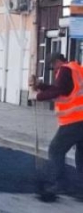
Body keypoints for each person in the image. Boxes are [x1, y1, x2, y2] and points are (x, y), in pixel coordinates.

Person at [30, 53, 83, 198]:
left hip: (75, 120)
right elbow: (64, 89)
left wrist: (37, 96)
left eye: (53, 66)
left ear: (58, 61)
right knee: (81, 155)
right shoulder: (77, 69)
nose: (54, 70)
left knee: (55, 150)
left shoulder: (65, 70)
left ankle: (60, 185)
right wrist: (40, 86)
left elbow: (58, 91)